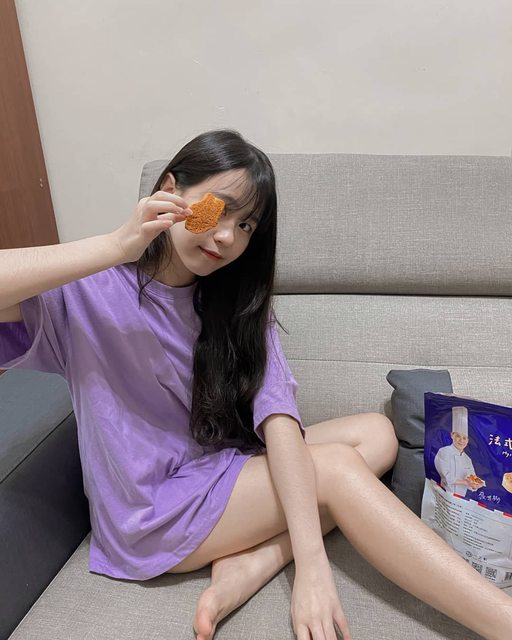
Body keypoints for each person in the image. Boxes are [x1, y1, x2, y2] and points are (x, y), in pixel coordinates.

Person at [0, 129, 510, 640]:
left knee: (377, 434)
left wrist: (297, 553)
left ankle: (255, 561)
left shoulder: (234, 302)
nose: (227, 236)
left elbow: (278, 419)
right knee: (335, 468)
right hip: (150, 514)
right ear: (170, 191)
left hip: (217, 472)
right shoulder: (86, 293)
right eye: (217, 209)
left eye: (245, 224)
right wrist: (116, 245)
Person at [434, 406, 482, 496]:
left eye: (464, 438)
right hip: (445, 495)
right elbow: (446, 477)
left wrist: (475, 485)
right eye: (458, 436)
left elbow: (472, 479)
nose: (461, 440)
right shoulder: (444, 451)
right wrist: (465, 482)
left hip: (461, 499)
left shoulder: (467, 459)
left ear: (467, 440)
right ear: (452, 435)